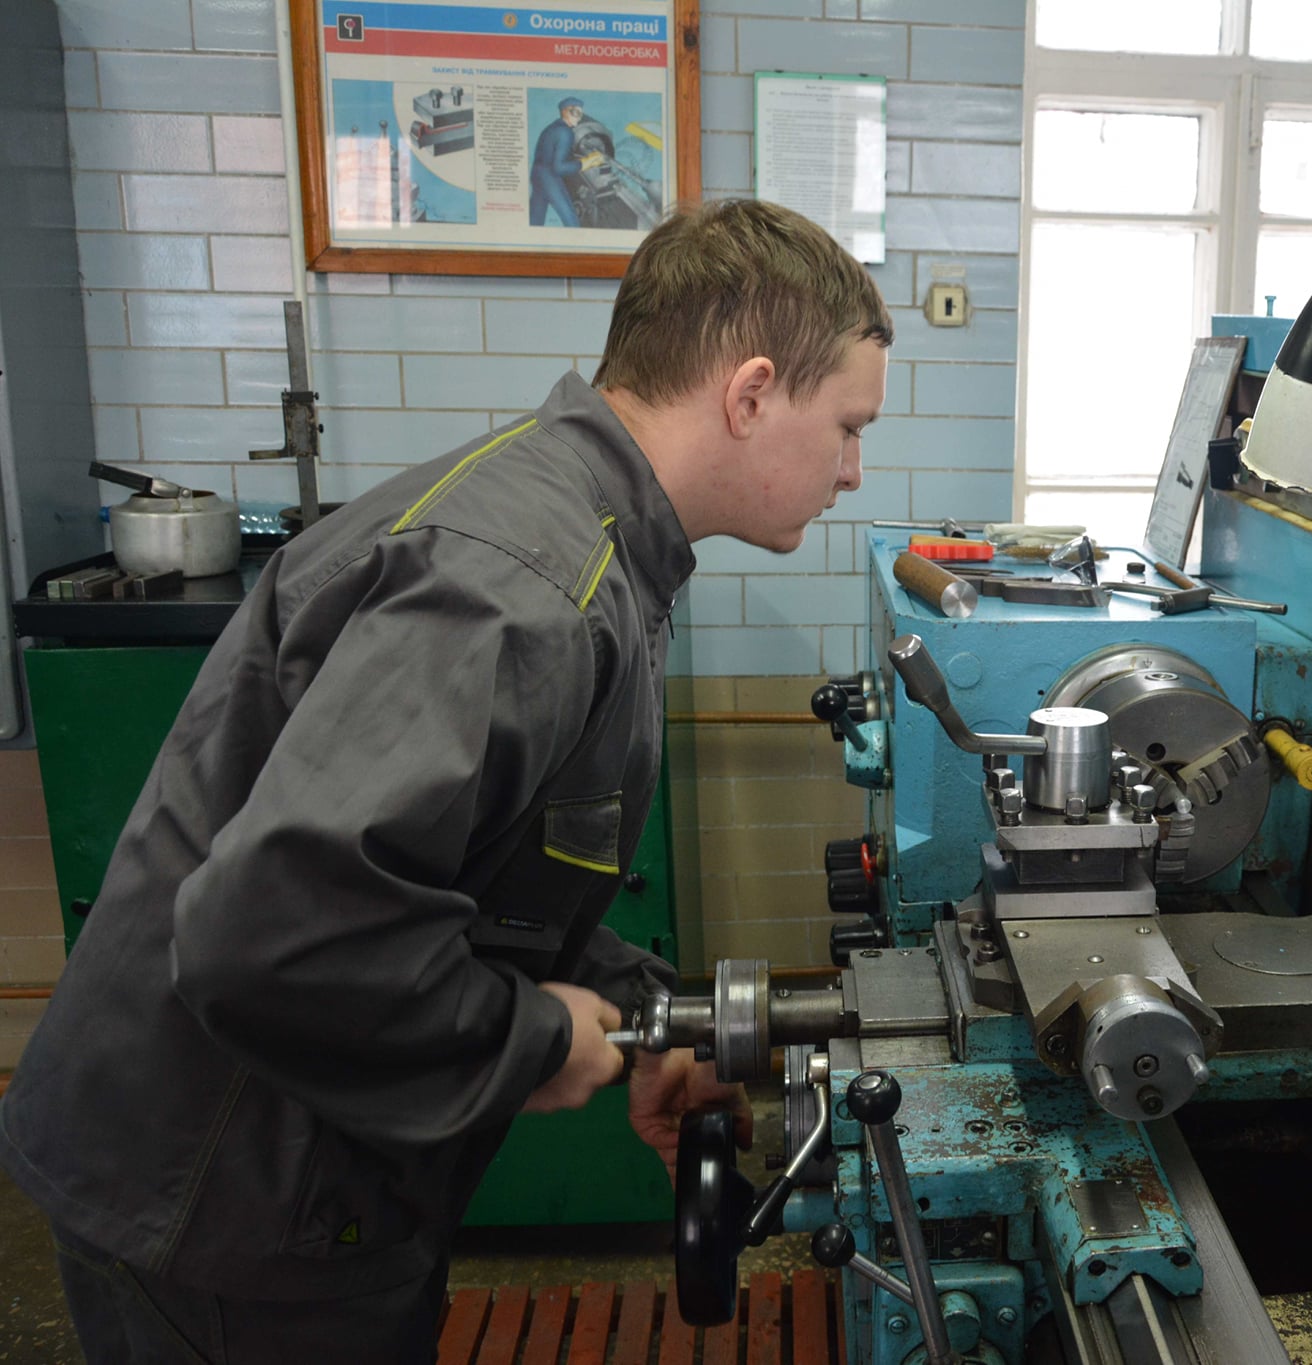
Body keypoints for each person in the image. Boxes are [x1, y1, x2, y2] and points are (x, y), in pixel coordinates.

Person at [0, 197, 893, 1363]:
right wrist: (532, 1038)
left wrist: (637, 1010)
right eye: (846, 428)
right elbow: (268, 936)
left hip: (295, 1171)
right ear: (750, 393)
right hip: (223, 1191)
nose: (852, 472)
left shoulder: (583, 536)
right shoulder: (524, 588)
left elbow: (468, 871)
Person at [531, 95, 590, 227]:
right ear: (565, 112)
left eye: (581, 114)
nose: (579, 118)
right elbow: (559, 168)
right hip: (550, 179)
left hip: (536, 175)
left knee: (535, 221)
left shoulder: (551, 128)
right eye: (576, 113)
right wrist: (585, 163)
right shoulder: (566, 132)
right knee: (572, 223)